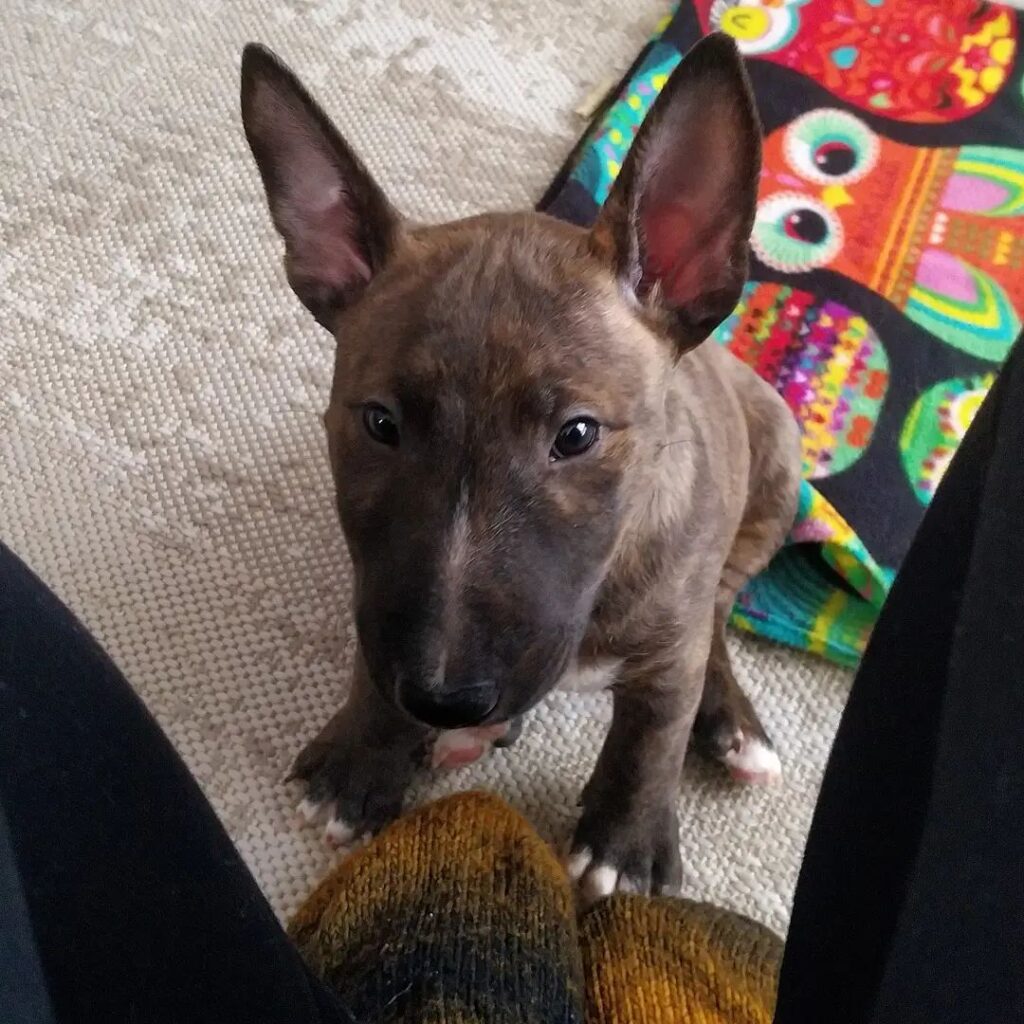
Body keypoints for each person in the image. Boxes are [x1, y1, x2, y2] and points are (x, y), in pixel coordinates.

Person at [4, 341, 1023, 1024]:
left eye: (572, 436)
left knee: (686, 607)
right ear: (331, 259)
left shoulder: (672, 482)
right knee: (421, 602)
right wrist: (378, 713)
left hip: (686, 542)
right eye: (382, 424)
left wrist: (639, 792)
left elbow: (646, 657)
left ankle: (710, 640)